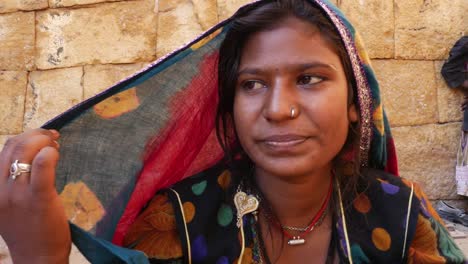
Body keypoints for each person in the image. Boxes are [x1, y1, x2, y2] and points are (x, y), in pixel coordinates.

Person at [0, 0, 465, 263]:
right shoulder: (178, 219)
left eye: (309, 78)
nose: (279, 109)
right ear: (231, 107)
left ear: (356, 105)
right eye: (252, 84)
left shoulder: (400, 211)